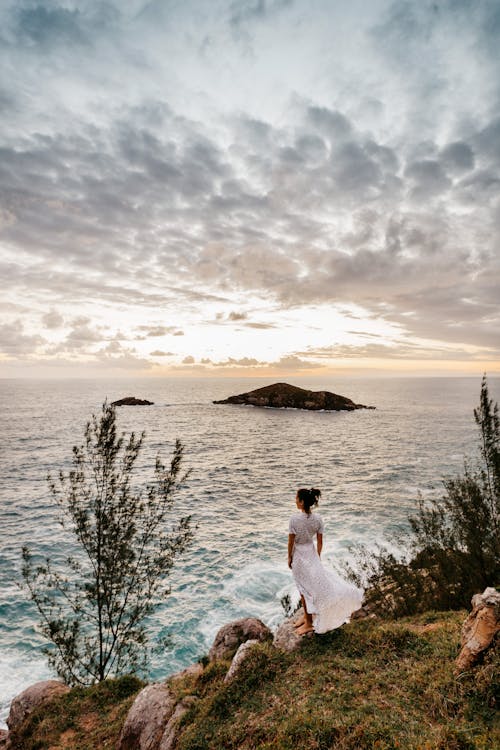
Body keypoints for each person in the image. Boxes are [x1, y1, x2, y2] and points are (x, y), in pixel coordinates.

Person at [288, 487, 363, 635]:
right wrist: (317, 557)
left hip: (300, 556)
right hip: (312, 554)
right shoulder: (318, 519)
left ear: (302, 502)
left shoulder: (294, 519)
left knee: (303, 588)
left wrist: (289, 557)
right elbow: (320, 541)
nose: (295, 501)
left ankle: (309, 623)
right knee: (309, 586)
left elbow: (291, 542)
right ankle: (306, 616)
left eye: (297, 499)